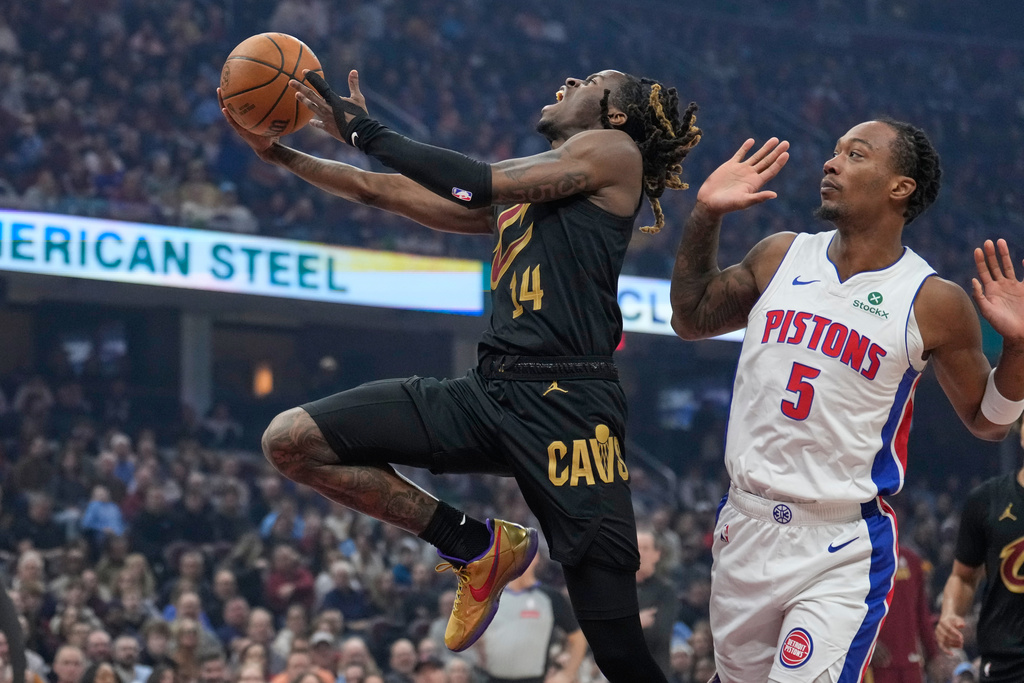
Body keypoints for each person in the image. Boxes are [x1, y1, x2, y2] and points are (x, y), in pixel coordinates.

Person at [221, 60, 702, 683]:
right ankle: (475, 544)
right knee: (291, 441)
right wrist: (282, 155)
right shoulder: (528, 193)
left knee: (616, 650)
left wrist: (362, 129)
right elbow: (381, 191)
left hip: (572, 409)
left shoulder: (614, 153)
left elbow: (473, 181)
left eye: (588, 82)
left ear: (614, 113)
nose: (568, 82)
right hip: (490, 390)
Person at [669, 119, 1024, 682]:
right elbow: (690, 319)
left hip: (839, 544)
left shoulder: (933, 300)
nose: (831, 163)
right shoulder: (778, 255)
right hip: (745, 521)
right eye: (834, 152)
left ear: (899, 187)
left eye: (854, 155)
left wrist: (1019, 347)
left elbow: (990, 421)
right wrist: (706, 214)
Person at [935, 419, 1024, 682]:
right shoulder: (987, 500)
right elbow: (963, 576)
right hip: (1005, 663)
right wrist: (950, 613)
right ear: (1021, 433)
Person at [476, 553, 586, 683]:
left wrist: (567, 674)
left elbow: (578, 638)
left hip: (535, 679)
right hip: (492, 678)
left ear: (536, 557)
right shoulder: (489, 597)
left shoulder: (550, 597)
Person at [867, 545, 940, 683]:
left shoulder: (912, 560)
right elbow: (850, 612)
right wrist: (867, 642)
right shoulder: (861, 559)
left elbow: (922, 613)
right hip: (877, 664)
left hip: (910, 664)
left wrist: (933, 655)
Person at [636, 529, 677, 677]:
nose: (639, 553)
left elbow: (659, 634)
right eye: (635, 547)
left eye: (645, 548)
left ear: (656, 554)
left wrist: (623, 626)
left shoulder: (666, 591)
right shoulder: (617, 589)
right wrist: (637, 622)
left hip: (654, 671)